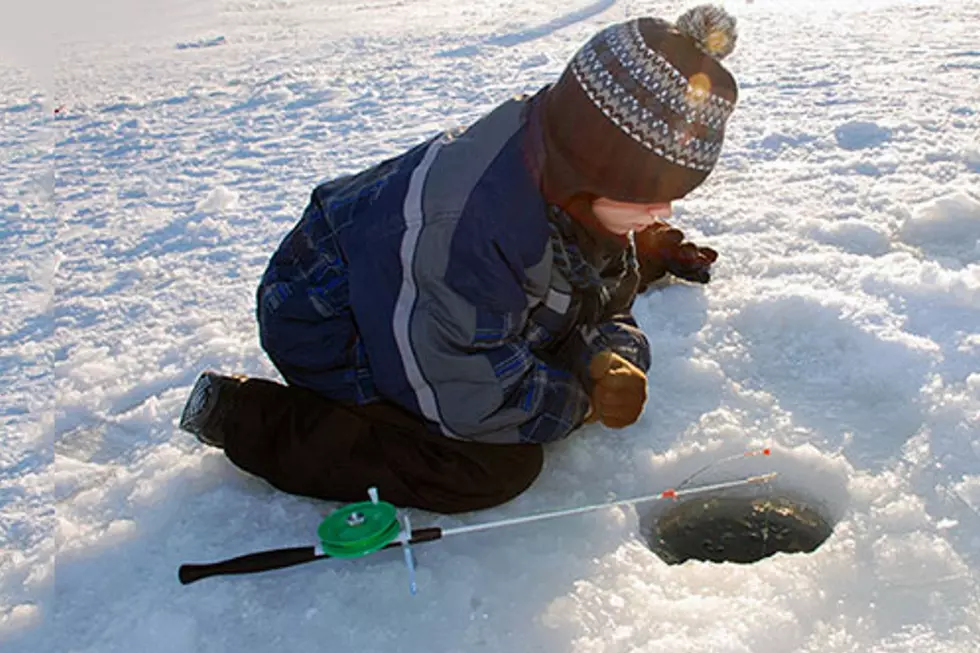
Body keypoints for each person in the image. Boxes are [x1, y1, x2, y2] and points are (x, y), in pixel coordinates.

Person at [178, 5, 738, 514]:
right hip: (331, 324)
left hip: (429, 302)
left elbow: (606, 296)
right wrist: (581, 402)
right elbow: (473, 401)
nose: (661, 211)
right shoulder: (468, 230)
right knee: (492, 466)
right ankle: (245, 417)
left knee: (543, 341)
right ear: (595, 168)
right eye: (647, 195)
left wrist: (607, 356)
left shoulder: (569, 179)